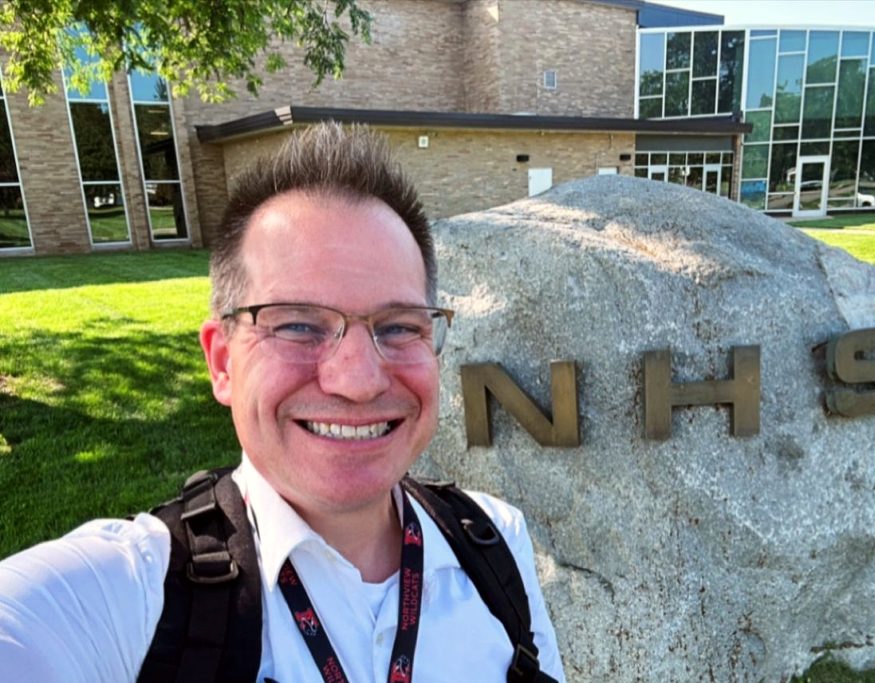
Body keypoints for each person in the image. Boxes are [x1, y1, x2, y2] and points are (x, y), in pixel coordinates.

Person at [0, 123, 565, 682]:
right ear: (222, 362)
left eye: (397, 327)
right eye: (297, 324)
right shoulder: (128, 598)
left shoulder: (494, 542)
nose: (358, 380)